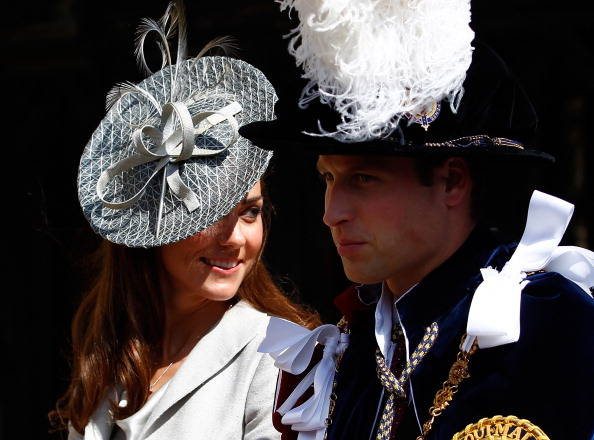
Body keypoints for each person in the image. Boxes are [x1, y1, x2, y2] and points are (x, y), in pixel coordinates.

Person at [241, 0, 594, 439]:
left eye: (364, 179)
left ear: (451, 182)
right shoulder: (355, 342)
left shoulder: (543, 320)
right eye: (329, 179)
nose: (332, 214)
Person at [49, 2, 318, 439]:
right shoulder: (112, 354)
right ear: (151, 229)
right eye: (211, 214)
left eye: (249, 212)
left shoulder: (279, 355)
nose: (235, 239)